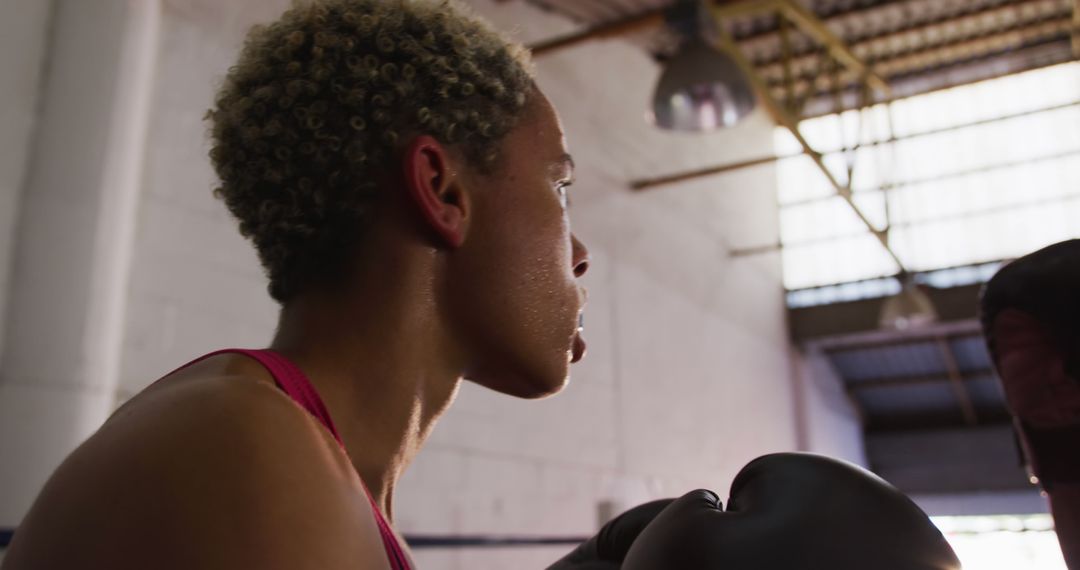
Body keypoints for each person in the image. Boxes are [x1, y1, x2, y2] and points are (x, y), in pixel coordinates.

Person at [3, 1, 588, 568]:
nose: (580, 255)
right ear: (442, 191)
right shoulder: (246, 446)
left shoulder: (305, 469)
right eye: (559, 187)